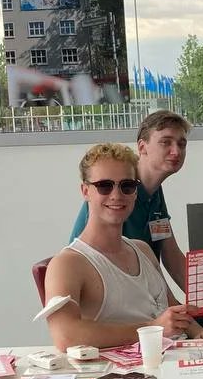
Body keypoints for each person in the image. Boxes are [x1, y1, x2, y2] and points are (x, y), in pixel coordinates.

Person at [44, 143, 203, 350]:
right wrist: (153, 328)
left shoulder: (141, 249)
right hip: (141, 374)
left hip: (181, 357)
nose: (116, 195)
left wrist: (201, 334)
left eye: (126, 186)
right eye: (104, 186)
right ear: (85, 191)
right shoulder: (68, 263)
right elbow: (65, 336)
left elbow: (171, 311)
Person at [69, 111, 190, 290]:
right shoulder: (116, 198)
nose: (176, 151)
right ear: (142, 147)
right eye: (166, 142)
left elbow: (170, 254)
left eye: (182, 144)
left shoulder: (154, 193)